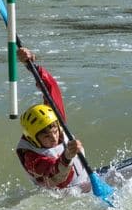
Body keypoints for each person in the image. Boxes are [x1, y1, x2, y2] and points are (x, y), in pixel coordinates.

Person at [15, 47, 88, 190]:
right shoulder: (30, 156)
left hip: (84, 180)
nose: (54, 137)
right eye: (46, 136)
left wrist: (30, 65)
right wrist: (67, 156)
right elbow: (56, 177)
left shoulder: (55, 122)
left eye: (54, 131)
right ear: (33, 138)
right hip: (62, 196)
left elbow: (50, 87)